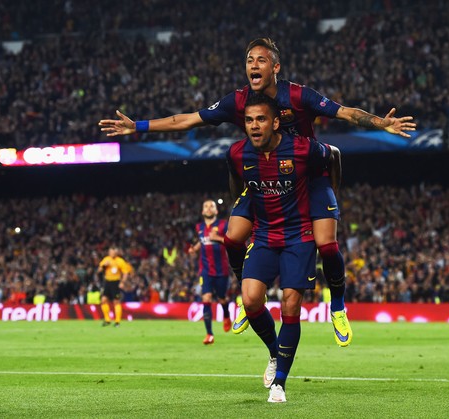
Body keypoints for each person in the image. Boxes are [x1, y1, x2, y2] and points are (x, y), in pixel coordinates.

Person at [98, 38, 416, 346]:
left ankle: (337, 306)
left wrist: (380, 123)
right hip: (264, 177)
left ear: (275, 67)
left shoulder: (298, 95)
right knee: (233, 237)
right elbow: (188, 120)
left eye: (260, 59)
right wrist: (138, 126)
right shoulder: (237, 102)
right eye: (249, 60)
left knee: (327, 246)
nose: (253, 65)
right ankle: (247, 292)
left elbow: (345, 112)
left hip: (307, 179)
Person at [226, 93, 331, 402]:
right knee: (250, 300)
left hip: (299, 237)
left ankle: (280, 383)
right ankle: (274, 353)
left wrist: (327, 206)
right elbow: (236, 184)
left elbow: (330, 160)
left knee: (289, 306)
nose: (254, 126)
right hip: (264, 237)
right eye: (248, 120)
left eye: (260, 119)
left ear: (275, 122)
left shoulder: (302, 149)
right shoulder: (236, 153)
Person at [188, 199, 232, 344]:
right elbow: (202, 241)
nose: (208, 208)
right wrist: (194, 249)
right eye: (205, 206)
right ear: (202, 211)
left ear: (216, 211)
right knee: (206, 298)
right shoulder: (199, 227)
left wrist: (218, 238)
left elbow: (232, 241)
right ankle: (209, 334)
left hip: (221, 270)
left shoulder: (223, 225)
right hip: (205, 270)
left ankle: (226, 314)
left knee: (222, 298)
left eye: (211, 206)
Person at [97, 246, 131, 327]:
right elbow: (99, 270)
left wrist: (122, 282)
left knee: (116, 301)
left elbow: (125, 273)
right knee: (103, 300)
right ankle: (107, 320)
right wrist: (104, 266)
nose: (112, 254)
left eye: (113, 252)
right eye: (111, 252)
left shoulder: (120, 261)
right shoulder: (106, 259)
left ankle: (117, 322)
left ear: (116, 253)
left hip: (115, 282)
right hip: (107, 282)